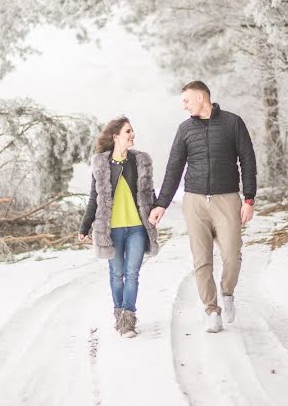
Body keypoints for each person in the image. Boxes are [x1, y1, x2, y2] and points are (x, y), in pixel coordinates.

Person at [148, 81, 257, 333]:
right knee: (201, 260)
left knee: (232, 255)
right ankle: (211, 311)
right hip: (194, 201)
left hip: (227, 198)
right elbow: (174, 168)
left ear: (200, 97)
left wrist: (249, 198)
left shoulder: (232, 123)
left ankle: (227, 292)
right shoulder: (185, 129)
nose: (184, 106)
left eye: (186, 100)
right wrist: (161, 204)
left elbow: (248, 161)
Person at [78, 116, 160, 338]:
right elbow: (94, 198)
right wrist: (84, 226)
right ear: (115, 136)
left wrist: (157, 208)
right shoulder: (101, 164)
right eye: (128, 131)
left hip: (136, 228)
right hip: (112, 229)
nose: (132, 135)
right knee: (116, 274)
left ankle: (128, 321)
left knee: (132, 274)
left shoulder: (140, 161)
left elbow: (149, 193)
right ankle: (119, 314)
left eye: (132, 131)